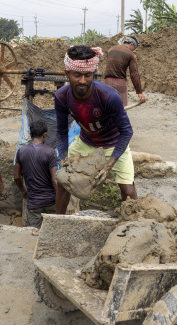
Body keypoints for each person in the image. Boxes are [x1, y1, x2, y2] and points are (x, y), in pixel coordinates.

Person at [55, 45, 138, 214]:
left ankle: (134, 224)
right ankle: (57, 222)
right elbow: (62, 131)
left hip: (114, 143)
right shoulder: (62, 96)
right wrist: (63, 159)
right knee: (63, 182)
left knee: (128, 190)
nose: (83, 81)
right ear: (67, 74)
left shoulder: (109, 96)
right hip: (85, 143)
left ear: (94, 74)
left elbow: (127, 131)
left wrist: (109, 165)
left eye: (88, 75)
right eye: (77, 75)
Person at [14, 121, 57, 229]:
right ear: (44, 135)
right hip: (50, 202)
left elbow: (17, 177)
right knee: (50, 234)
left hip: (34, 203)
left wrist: (23, 190)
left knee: (34, 234)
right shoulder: (50, 152)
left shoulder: (21, 151)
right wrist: (60, 197)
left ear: (30, 135)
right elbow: (55, 180)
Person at [104, 36, 146, 107]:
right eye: (134, 48)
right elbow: (134, 74)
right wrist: (139, 92)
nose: (133, 50)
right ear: (132, 44)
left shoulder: (111, 49)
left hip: (107, 82)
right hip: (120, 83)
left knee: (108, 107)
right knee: (122, 108)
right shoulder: (131, 54)